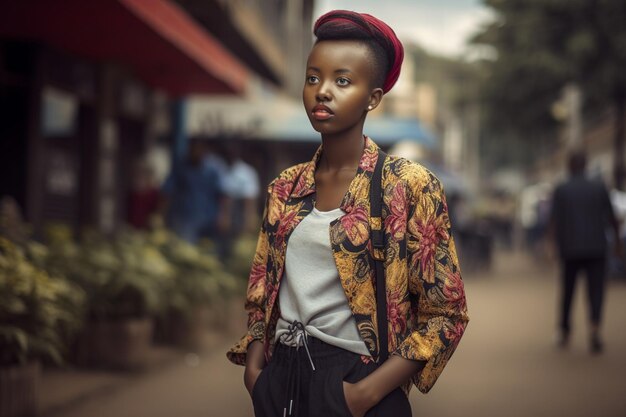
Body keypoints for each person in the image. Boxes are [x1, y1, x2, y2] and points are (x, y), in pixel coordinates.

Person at [227, 10, 469, 417]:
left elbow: (446, 314)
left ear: (373, 97)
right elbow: (260, 292)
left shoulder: (407, 185)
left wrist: (364, 395)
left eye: (342, 81)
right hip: (281, 377)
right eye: (313, 78)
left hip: (357, 380)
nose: (322, 91)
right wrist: (256, 373)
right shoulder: (285, 187)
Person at [549, 150, 622, 353]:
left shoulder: (562, 189)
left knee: (568, 291)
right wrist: (617, 243)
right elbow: (612, 218)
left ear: (570, 166)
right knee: (596, 290)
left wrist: (551, 245)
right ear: (586, 165)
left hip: (570, 248)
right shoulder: (599, 187)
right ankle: (595, 328)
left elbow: (554, 220)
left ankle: (564, 330)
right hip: (596, 248)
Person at [160, 138, 224, 244]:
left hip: (210, 217)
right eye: (193, 150)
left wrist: (222, 216)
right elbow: (167, 191)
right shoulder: (181, 167)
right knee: (187, 250)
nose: (196, 153)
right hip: (186, 218)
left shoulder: (214, 169)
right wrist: (162, 214)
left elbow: (222, 194)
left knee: (209, 249)